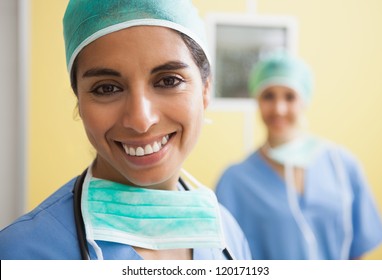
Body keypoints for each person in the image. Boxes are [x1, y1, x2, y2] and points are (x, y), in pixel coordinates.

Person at [0, 0, 251, 260]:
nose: (141, 120)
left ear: (206, 89)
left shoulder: (228, 236)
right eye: (107, 88)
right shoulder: (21, 253)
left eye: (168, 81)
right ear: (79, 101)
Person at [215, 51, 382, 260]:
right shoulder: (236, 181)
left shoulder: (342, 166)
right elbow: (224, 258)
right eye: (268, 96)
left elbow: (357, 252)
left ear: (304, 100)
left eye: (290, 96)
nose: (279, 108)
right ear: (257, 101)